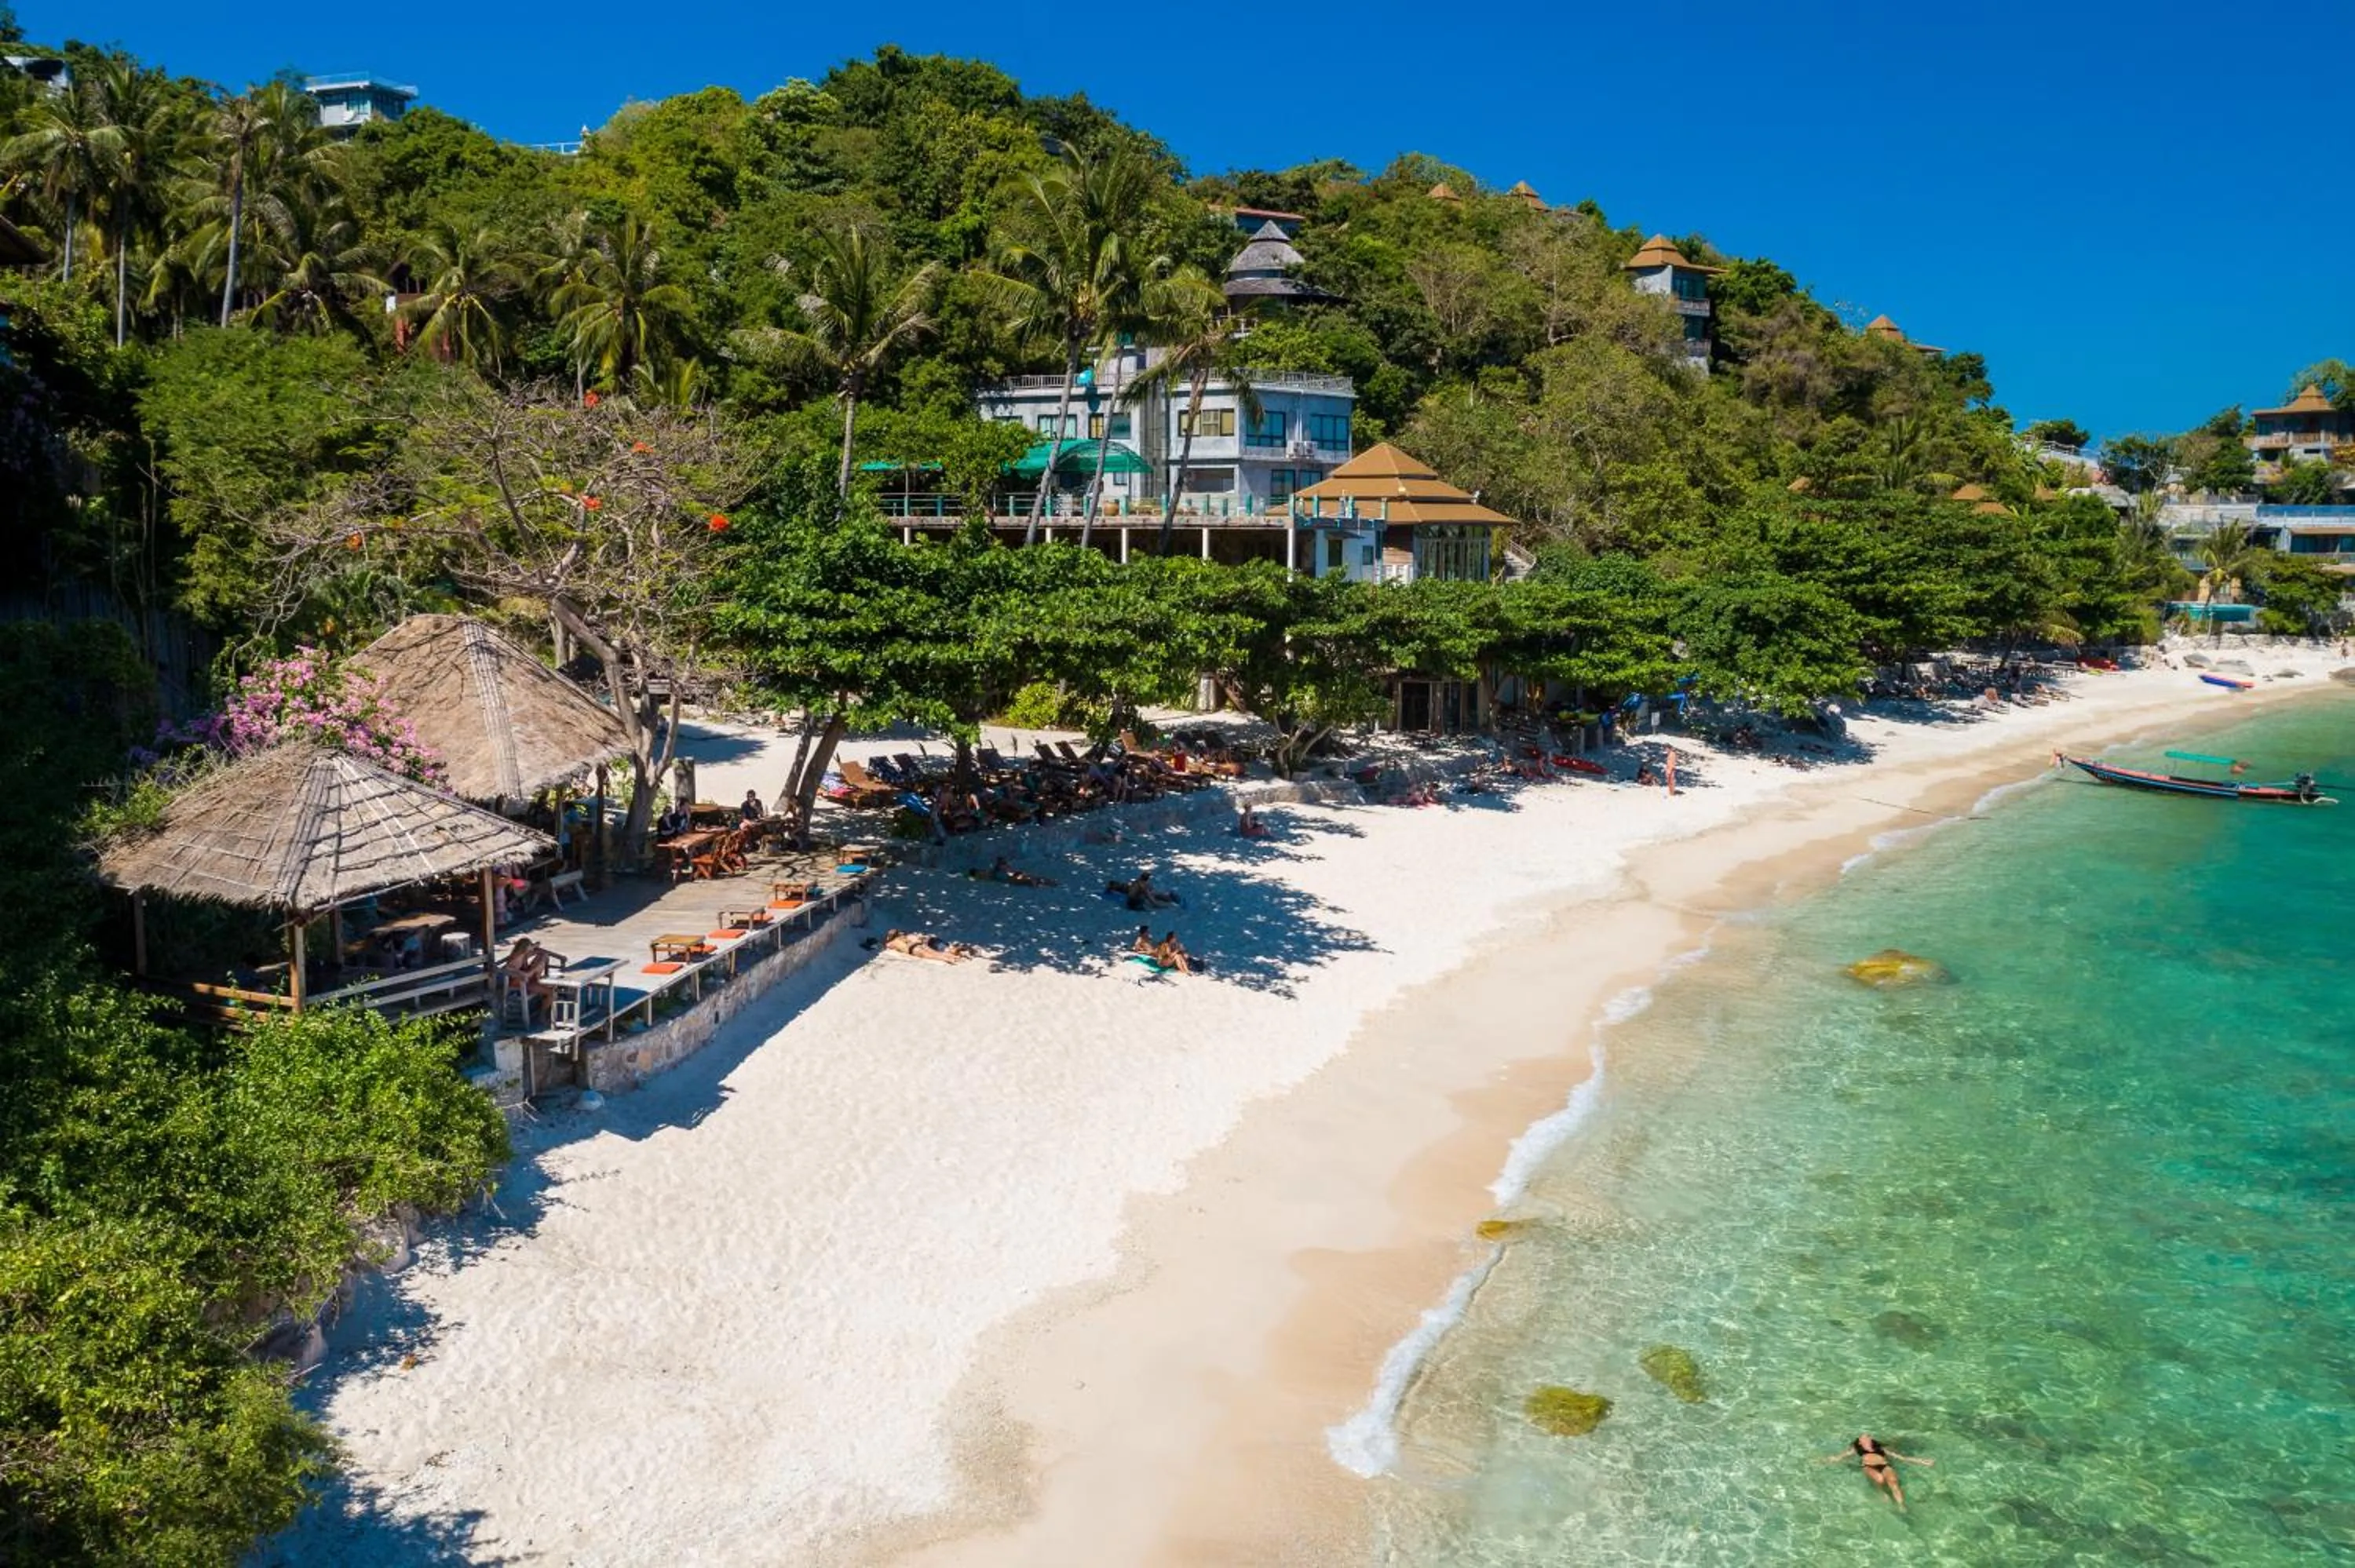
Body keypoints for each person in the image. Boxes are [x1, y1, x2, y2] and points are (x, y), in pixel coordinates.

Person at [1820, 1433, 1933, 1511]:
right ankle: (1881, 1492)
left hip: (1885, 1465)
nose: (1868, 1439)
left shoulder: (1881, 1449)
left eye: (1868, 1437)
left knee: (1893, 1482)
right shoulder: (1857, 1449)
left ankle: (1901, 1505)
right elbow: (1839, 1457)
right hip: (1869, 1466)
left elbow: (1903, 1458)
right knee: (1879, 1479)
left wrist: (1922, 1462)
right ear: (1860, 1443)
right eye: (1864, 1438)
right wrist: (1823, 1461)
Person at [502, 937, 553, 1017]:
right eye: (530, 946)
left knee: (542, 956)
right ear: (525, 947)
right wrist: (533, 970)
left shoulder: (523, 954)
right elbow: (509, 970)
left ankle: (543, 1012)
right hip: (520, 985)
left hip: (526, 981)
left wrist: (536, 945)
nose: (531, 948)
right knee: (551, 993)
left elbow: (536, 949)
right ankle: (542, 1015)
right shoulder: (517, 958)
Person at [878, 928, 973, 965]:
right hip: (918, 945)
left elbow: (885, 945)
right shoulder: (906, 937)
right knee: (935, 953)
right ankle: (954, 957)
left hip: (913, 949)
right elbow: (917, 939)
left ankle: (950, 959)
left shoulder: (892, 943)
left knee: (934, 956)